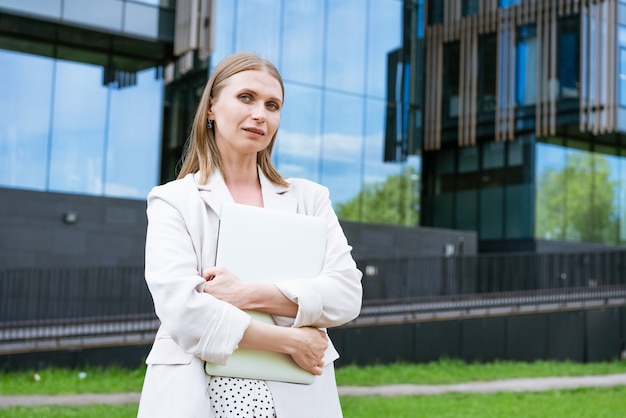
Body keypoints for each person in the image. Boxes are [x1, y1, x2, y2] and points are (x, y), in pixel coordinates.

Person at [137, 52, 363, 418]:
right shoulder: (173, 201)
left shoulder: (310, 198)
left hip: (295, 395)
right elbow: (183, 311)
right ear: (211, 108)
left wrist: (247, 293)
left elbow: (346, 296)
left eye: (272, 105)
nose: (260, 113)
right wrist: (290, 341)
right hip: (198, 393)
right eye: (246, 98)